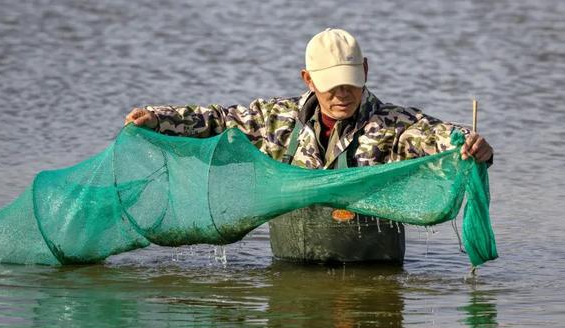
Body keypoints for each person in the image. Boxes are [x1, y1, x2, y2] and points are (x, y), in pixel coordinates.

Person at [124, 28, 493, 263]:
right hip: (291, 273)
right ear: (308, 79)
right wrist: (159, 119)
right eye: (331, 84)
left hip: (371, 276)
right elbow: (219, 120)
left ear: (365, 71)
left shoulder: (393, 126)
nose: (342, 94)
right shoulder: (277, 122)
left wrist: (474, 147)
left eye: (350, 81)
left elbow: (438, 135)